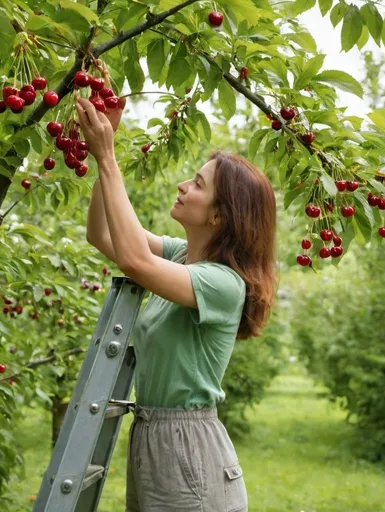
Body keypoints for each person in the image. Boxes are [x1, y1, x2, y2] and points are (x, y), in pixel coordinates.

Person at [79, 95, 278, 511]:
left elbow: (134, 260)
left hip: (187, 447)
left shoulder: (223, 284)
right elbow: (102, 235)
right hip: (154, 436)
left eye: (197, 184)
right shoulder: (181, 257)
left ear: (220, 216)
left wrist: (109, 157)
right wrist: (103, 158)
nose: (182, 186)